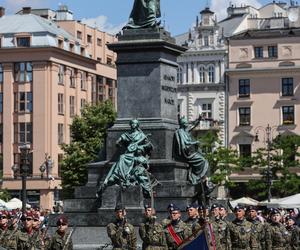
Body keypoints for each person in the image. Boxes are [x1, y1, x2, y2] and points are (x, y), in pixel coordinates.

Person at [98, 119, 154, 198]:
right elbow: (118, 141)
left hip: (137, 154)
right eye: (132, 123)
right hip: (128, 153)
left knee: (123, 157)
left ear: (137, 125)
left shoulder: (141, 135)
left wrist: (140, 148)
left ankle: (118, 176)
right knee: (122, 157)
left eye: (134, 124)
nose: (133, 125)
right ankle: (117, 176)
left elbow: (149, 145)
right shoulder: (127, 134)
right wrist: (118, 143)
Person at [173, 116, 209, 187]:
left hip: (190, 151)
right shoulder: (180, 132)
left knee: (204, 160)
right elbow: (185, 144)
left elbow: (192, 126)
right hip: (186, 153)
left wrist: (198, 120)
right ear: (184, 124)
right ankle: (196, 177)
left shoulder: (185, 131)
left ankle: (198, 177)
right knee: (203, 160)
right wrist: (195, 143)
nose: (187, 125)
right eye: (186, 123)